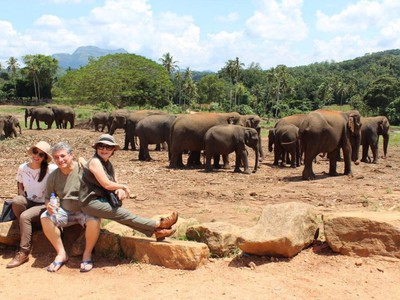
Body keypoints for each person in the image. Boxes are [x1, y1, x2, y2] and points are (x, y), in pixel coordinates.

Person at [80, 134, 178, 245]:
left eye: (108, 147)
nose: (104, 150)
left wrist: (119, 189)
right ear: (96, 148)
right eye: (101, 146)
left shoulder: (109, 165)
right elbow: (107, 184)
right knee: (125, 215)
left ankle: (158, 232)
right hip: (90, 202)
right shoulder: (95, 162)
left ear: (113, 150)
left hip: (102, 200)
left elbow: (114, 182)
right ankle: (159, 224)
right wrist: (123, 187)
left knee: (123, 217)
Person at [40, 142, 100, 273]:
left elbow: (103, 173)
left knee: (94, 220)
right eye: (56, 157)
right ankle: (61, 254)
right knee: (45, 217)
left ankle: (87, 255)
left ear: (71, 155)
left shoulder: (83, 168)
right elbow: (47, 198)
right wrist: (48, 206)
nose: (60, 160)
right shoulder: (53, 176)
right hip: (65, 212)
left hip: (85, 211)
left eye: (63, 156)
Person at [6, 141, 58, 268]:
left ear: (45, 158)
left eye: (41, 155)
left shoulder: (51, 169)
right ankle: (29, 226)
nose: (37, 156)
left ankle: (24, 251)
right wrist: (21, 194)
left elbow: (66, 171)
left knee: (25, 216)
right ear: (32, 152)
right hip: (28, 201)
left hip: (43, 204)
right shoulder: (23, 167)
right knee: (17, 201)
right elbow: (20, 184)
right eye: (35, 152)